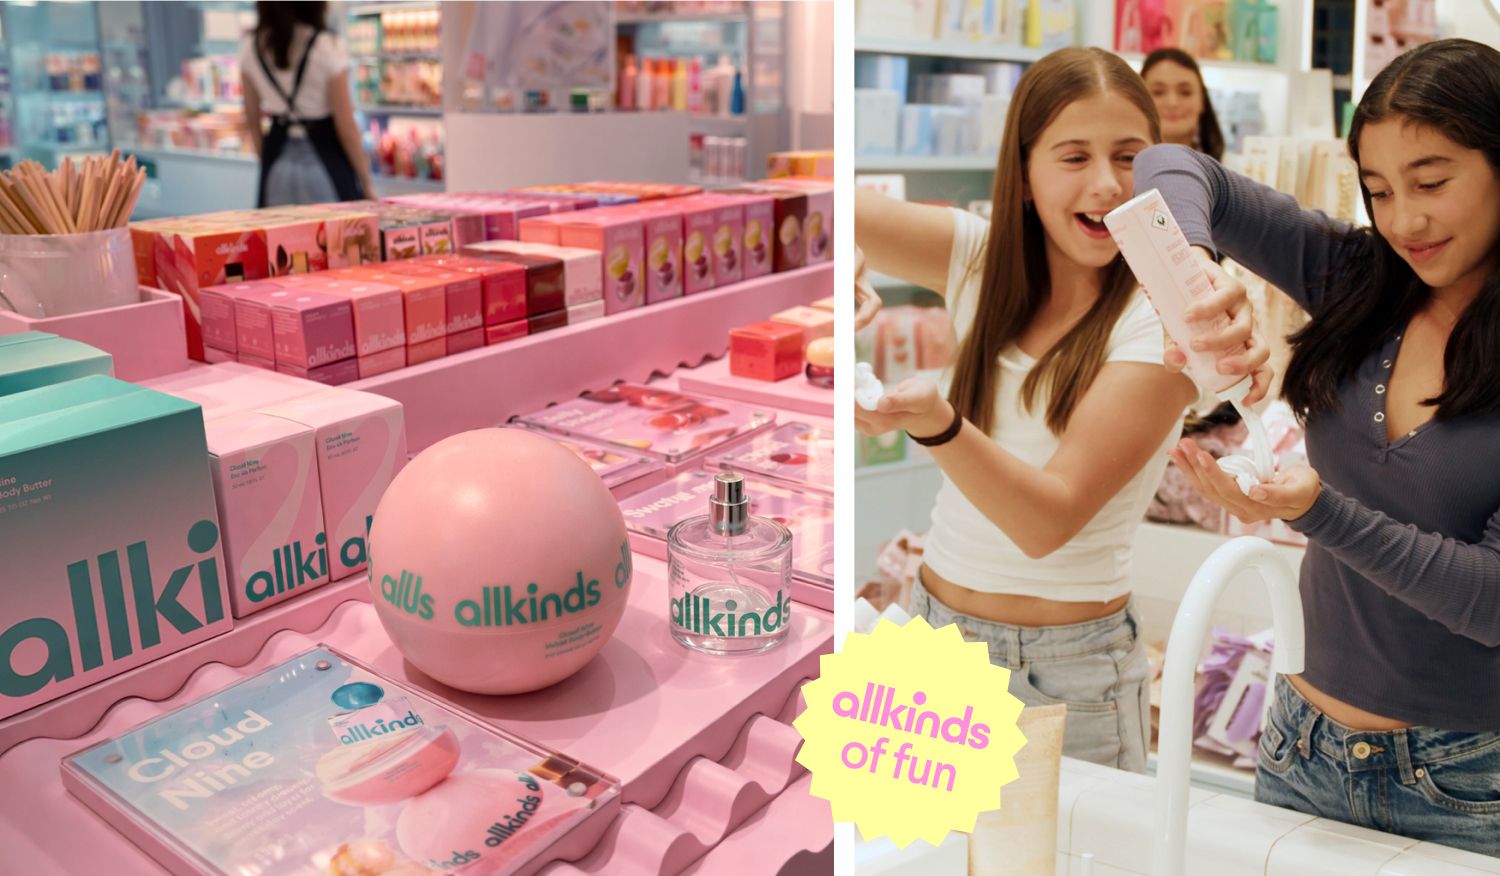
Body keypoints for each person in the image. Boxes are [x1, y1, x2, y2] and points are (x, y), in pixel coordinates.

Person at [853, 46, 1266, 771]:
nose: (1106, 184)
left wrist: (937, 423)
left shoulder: (1168, 319)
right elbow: (832, 208)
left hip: (1066, 677)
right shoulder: (979, 262)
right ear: (1023, 176)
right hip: (933, 641)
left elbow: (1047, 518)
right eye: (1073, 157)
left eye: (1129, 156)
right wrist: (839, 262)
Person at [1143, 38, 1500, 856]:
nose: (1403, 219)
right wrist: (1195, 277)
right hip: (1300, 744)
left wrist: (1319, 512)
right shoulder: (1358, 276)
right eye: (1378, 190)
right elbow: (1171, 166)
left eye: (1433, 182)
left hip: (1470, 782)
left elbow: (1491, 604)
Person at [240, 1, 374, 207]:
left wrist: (266, 159)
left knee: (280, 237)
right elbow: (346, 125)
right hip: (325, 162)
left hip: (276, 162)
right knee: (330, 237)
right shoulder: (327, 46)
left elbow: (251, 116)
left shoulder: (251, 47)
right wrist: (366, 181)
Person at [1141, 47, 1225, 161]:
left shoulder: (1228, 172)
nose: (1172, 103)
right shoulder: (1118, 171)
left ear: (1202, 101)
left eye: (1185, 93)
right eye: (1158, 92)